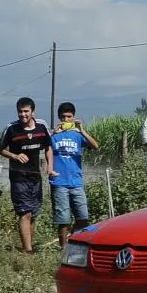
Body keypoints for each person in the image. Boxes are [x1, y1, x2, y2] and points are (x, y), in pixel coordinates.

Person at [0, 96, 53, 254]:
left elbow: (48, 147)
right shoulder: (11, 128)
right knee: (25, 213)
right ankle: (28, 251)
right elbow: (0, 149)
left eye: (26, 111)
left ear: (33, 111)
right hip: (18, 177)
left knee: (33, 214)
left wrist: (50, 166)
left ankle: (29, 246)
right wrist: (15, 156)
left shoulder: (42, 127)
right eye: (20, 112)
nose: (23, 115)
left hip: (36, 177)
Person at [49, 101, 100, 247]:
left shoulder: (77, 135)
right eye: (63, 117)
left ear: (73, 117)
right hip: (59, 181)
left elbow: (95, 146)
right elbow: (44, 146)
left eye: (69, 117)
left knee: (83, 216)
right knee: (63, 219)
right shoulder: (53, 136)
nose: (66, 120)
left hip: (76, 181)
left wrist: (81, 130)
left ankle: (76, 243)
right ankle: (63, 248)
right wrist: (53, 132)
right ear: (59, 117)